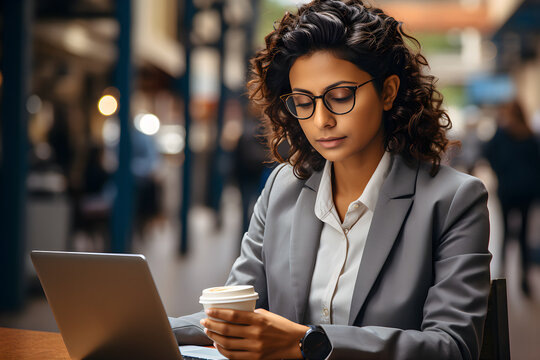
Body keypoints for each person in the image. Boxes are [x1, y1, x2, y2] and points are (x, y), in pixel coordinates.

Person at [169, 1, 491, 359]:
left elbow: (453, 348)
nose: (321, 120)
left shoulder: (453, 200)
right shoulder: (282, 189)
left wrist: (308, 343)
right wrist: (147, 326)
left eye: (339, 97)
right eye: (303, 102)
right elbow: (235, 312)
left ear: (387, 92)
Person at [483, 100, 540, 296]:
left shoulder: (502, 134)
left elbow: (488, 153)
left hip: (508, 190)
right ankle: (524, 279)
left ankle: (503, 276)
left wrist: (501, 172)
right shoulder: (529, 135)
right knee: (524, 235)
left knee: (507, 233)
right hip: (527, 191)